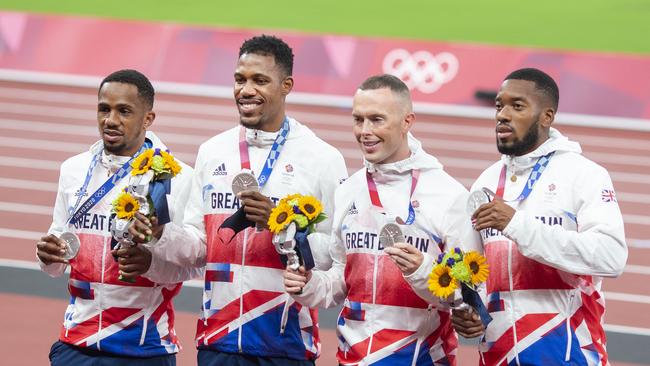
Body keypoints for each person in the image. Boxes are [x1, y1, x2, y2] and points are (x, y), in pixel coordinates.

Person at [125, 35, 348, 365]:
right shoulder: (213, 151)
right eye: (240, 79)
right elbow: (199, 247)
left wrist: (281, 226)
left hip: (286, 346)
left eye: (260, 80)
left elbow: (335, 256)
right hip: (218, 343)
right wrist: (159, 235)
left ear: (286, 85)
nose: (246, 90)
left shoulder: (322, 159)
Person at [283, 74, 481, 365]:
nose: (365, 131)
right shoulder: (349, 190)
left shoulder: (448, 195)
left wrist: (424, 271)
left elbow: (468, 296)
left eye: (377, 120)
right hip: (351, 358)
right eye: (358, 120)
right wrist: (310, 286)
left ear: (407, 121)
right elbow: (341, 275)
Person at [454, 68, 628, 365]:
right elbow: (471, 267)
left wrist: (516, 225)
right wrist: (468, 308)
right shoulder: (485, 181)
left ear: (546, 116)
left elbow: (611, 257)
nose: (502, 115)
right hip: (498, 355)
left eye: (517, 106)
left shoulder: (584, 175)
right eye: (499, 106)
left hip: (568, 354)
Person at [36, 69, 197, 365]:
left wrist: (153, 260)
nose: (110, 120)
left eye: (124, 111)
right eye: (104, 109)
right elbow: (59, 251)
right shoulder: (73, 169)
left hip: (144, 349)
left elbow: (196, 261)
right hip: (76, 346)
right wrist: (49, 256)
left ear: (148, 119)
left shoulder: (178, 177)